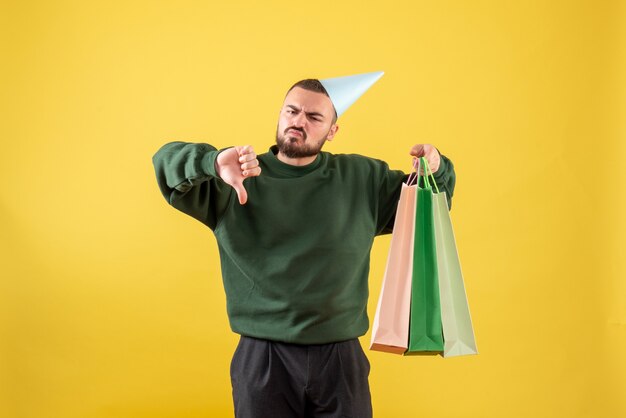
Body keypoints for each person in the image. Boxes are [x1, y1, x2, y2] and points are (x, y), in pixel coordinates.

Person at [152, 73, 456, 418]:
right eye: (291, 111)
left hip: (341, 358)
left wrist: (436, 168)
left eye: (314, 117)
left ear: (332, 131)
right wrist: (212, 161)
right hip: (263, 356)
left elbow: (430, 210)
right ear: (280, 114)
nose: (298, 122)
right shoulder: (234, 176)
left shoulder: (363, 179)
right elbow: (165, 164)